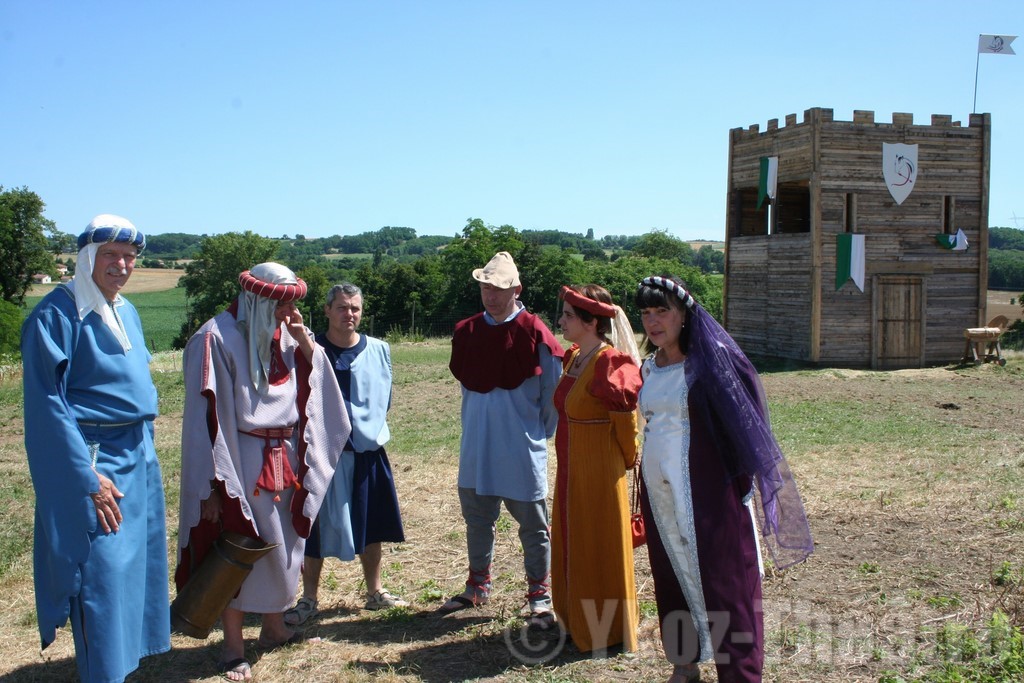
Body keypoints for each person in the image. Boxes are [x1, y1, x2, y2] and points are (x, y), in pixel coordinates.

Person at [634, 275, 814, 683]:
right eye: (645, 312)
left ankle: (739, 674)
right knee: (672, 571)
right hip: (660, 493)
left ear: (684, 314)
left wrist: (733, 486)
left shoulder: (711, 363)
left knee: (725, 582)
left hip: (707, 492)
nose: (653, 321)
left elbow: (748, 424)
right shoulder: (650, 366)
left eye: (662, 311)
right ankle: (685, 662)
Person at [176, 263, 351, 682]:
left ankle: (274, 628)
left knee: (285, 543)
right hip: (240, 456)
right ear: (258, 300)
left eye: (292, 305)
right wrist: (212, 485)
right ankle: (233, 648)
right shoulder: (214, 338)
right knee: (238, 546)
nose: (288, 313)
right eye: (281, 305)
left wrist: (304, 342)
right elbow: (203, 419)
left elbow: (315, 382)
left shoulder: (288, 334)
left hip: (286, 455)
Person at [21, 214, 170, 682]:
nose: (121, 265)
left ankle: (121, 669)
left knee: (134, 566)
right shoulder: (56, 315)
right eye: (110, 255)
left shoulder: (126, 309)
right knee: (100, 573)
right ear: (87, 258)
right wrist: (85, 477)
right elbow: (48, 407)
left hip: (137, 451)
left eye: (129, 256)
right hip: (96, 455)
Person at [443, 251, 564, 626]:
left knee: (533, 526)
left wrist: (536, 436)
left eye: (498, 288)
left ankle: (540, 596)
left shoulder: (535, 333)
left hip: (520, 447)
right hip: (476, 446)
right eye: (485, 287)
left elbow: (552, 396)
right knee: (477, 520)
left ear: (516, 289)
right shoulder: (467, 332)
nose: (490, 295)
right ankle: (477, 586)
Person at [284, 283, 407, 627]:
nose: (348, 314)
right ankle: (309, 599)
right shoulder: (307, 349)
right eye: (341, 307)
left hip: (367, 453)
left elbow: (384, 399)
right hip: (321, 455)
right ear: (326, 310)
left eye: (355, 308)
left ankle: (375, 592)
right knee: (313, 529)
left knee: (372, 525)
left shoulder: (379, 350)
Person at [551, 284, 642, 652]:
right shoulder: (574, 357)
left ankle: (606, 628)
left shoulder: (610, 363)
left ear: (591, 322)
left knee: (596, 543)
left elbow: (626, 425)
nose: (561, 321)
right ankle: (573, 618)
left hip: (599, 471)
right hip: (570, 468)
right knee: (572, 538)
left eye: (568, 316)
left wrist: (626, 460)